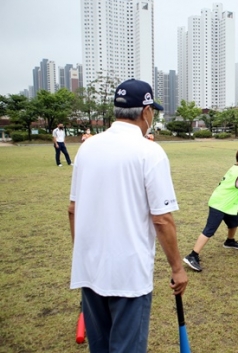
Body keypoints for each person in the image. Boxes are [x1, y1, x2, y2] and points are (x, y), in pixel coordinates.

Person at [68, 78, 188, 352]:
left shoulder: (87, 147)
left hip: (90, 269)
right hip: (128, 274)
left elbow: (73, 210)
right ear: (146, 111)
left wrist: (83, 255)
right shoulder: (150, 152)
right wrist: (177, 268)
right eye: (153, 112)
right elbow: (162, 219)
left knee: (101, 347)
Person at [183, 148, 238, 272]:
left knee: (234, 220)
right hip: (220, 204)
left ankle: (229, 241)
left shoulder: (234, 168)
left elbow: (237, 189)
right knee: (209, 229)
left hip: (226, 204)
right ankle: (193, 255)